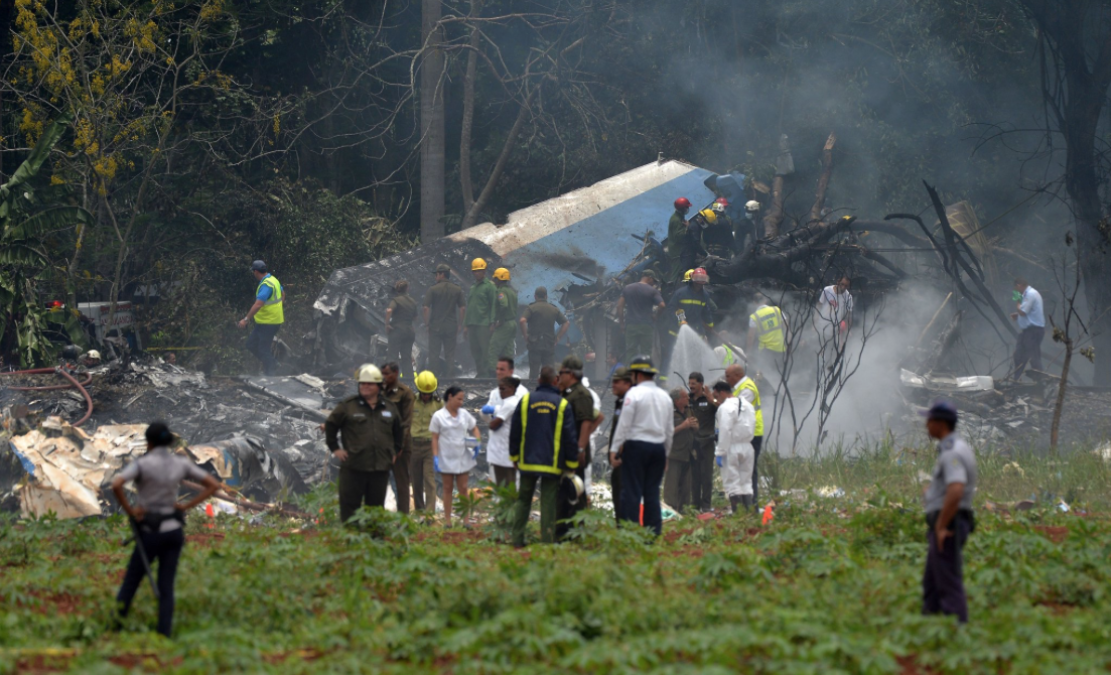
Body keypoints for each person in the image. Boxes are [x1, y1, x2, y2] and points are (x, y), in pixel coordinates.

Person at [111, 422, 220, 637]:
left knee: (132, 581)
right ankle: (164, 633)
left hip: (150, 531)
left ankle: (114, 628)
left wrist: (131, 511)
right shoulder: (180, 463)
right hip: (173, 531)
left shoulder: (143, 464)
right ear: (169, 442)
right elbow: (213, 485)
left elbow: (117, 484)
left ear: (149, 443)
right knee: (166, 585)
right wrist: (185, 506)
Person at [508, 366, 580, 546]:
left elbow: (515, 431)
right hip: (552, 463)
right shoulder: (562, 404)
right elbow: (570, 436)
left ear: (539, 380)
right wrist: (571, 462)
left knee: (524, 500)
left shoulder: (525, 401)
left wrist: (514, 456)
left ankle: (517, 539)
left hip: (527, 461)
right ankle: (547, 541)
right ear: (555, 381)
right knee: (548, 503)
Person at [921, 400, 977, 624]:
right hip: (949, 521)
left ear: (940, 424)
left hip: (951, 524)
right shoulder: (955, 447)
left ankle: (957, 631)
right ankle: (929, 625)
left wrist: (942, 525)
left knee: (948, 581)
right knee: (932, 581)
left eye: (930, 421)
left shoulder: (951, 453)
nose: (926, 425)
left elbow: (956, 489)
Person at [325, 364, 404, 522]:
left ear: (379, 385)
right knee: (350, 512)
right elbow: (331, 425)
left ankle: (374, 543)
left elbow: (398, 432)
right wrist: (335, 449)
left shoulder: (389, 407)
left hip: (379, 469)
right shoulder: (348, 406)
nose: (365, 386)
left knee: (375, 512)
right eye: (362, 383)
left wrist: (394, 452)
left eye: (369, 383)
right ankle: (352, 543)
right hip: (353, 468)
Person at [609, 355, 674, 535]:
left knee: (632, 492)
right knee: (652, 493)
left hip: (636, 447)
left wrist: (614, 449)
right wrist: (666, 454)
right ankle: (652, 534)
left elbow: (624, 425)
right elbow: (669, 430)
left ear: (637, 374)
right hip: (658, 449)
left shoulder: (634, 394)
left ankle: (631, 533)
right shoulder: (665, 397)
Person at [430, 385, 481, 526]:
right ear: (450, 397)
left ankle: (465, 520)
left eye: (462, 399)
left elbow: (474, 428)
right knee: (447, 488)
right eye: (458, 399)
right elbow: (434, 438)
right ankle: (447, 521)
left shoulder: (464, 414)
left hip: (463, 456)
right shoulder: (438, 416)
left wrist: (477, 442)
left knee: (463, 488)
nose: (461, 402)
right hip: (445, 457)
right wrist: (435, 456)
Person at [560, 355, 603, 498]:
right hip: (573, 443)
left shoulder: (584, 395)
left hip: (582, 442)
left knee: (582, 483)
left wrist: (581, 445)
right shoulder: (568, 393)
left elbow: (592, 419)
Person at [712, 381, 757, 512]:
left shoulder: (725, 408)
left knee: (732, 483)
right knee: (746, 483)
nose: (716, 399)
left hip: (731, 448)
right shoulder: (748, 405)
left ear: (721, 393)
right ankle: (749, 514)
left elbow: (725, 430)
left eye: (716, 396)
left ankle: (738, 514)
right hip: (748, 447)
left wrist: (720, 452)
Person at [726, 363, 764, 507]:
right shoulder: (740, 388)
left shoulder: (748, 389)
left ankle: (751, 505)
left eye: (728, 376)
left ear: (738, 375)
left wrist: (716, 401)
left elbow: (735, 410)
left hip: (753, 433)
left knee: (749, 470)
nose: (727, 379)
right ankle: (745, 505)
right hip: (746, 434)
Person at [238, 260, 283, 376]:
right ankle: (272, 364)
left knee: (263, 349)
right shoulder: (274, 280)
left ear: (256, 271)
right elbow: (283, 294)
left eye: (253, 272)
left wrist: (246, 319)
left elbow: (258, 304)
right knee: (251, 344)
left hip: (269, 323)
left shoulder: (266, 285)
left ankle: (271, 373)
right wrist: (277, 307)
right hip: (265, 322)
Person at [381, 362, 415, 514]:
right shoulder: (379, 392)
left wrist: (399, 446)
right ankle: (377, 517)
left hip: (400, 447)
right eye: (382, 374)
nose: (384, 377)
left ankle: (403, 519)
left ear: (396, 373)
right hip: (382, 445)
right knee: (378, 483)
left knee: (401, 484)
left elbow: (406, 423)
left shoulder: (405, 393)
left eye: (387, 373)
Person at [422, 264, 466, 377]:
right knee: (450, 354)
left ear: (442, 274)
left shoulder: (432, 289)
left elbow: (426, 308)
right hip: (451, 327)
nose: (435, 277)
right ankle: (449, 378)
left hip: (435, 327)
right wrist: (460, 325)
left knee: (434, 354)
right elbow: (462, 308)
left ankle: (434, 378)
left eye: (436, 274)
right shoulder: (457, 289)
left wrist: (427, 324)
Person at [482, 375, 525, 487]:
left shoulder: (510, 403)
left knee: (505, 486)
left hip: (503, 453)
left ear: (511, 388)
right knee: (506, 486)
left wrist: (491, 417)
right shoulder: (512, 402)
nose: (500, 392)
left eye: (503, 389)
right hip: (504, 452)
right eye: (499, 388)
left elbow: (493, 425)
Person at [616, 270, 665, 366]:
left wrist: (622, 324)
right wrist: (655, 316)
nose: (653, 283)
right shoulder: (652, 291)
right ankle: (644, 377)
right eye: (653, 281)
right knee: (646, 353)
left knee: (630, 352)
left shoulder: (628, 288)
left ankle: (630, 377)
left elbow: (619, 306)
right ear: (649, 278)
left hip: (631, 325)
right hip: (646, 325)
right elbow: (662, 305)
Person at [519, 287, 570, 376]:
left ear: (535, 296)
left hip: (534, 343)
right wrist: (558, 337)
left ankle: (533, 388)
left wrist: (526, 336)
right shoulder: (554, 309)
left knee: (534, 371)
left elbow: (522, 321)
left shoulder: (531, 308)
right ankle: (548, 388)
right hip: (549, 343)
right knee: (548, 372)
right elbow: (566, 322)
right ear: (546, 296)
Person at [410, 370, 442, 512]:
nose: (426, 396)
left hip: (430, 446)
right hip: (413, 445)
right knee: (416, 481)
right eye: (423, 393)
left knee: (429, 479)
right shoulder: (411, 402)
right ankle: (419, 511)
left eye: (429, 393)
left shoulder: (439, 405)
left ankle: (429, 513)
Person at [687, 372, 717, 512]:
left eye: (694, 383)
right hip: (692, 443)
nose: (691, 386)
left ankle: (706, 505)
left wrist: (711, 399)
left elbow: (722, 409)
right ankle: (695, 504)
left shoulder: (709, 399)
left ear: (701, 384)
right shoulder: (688, 399)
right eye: (689, 383)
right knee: (694, 476)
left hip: (707, 442)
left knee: (706, 475)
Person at [663, 387, 697, 511]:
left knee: (685, 487)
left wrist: (694, 426)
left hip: (687, 453)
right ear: (677, 400)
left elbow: (695, 426)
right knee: (671, 486)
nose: (688, 398)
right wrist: (683, 426)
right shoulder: (668, 412)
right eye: (685, 397)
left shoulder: (689, 410)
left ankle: (684, 511)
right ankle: (669, 510)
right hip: (674, 454)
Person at [607, 367, 633, 523]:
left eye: (617, 382)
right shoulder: (621, 401)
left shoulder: (630, 403)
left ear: (627, 383)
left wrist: (620, 451)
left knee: (625, 497)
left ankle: (627, 530)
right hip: (619, 459)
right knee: (618, 494)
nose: (613, 385)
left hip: (627, 459)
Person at [464, 258, 497, 377]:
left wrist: (492, 322)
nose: (477, 273)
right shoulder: (473, 288)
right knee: (475, 350)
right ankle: (481, 372)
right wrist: (466, 325)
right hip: (472, 324)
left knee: (485, 350)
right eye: (475, 271)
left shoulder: (490, 287)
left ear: (484, 271)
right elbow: (470, 307)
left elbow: (494, 304)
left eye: (479, 270)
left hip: (484, 324)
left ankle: (487, 374)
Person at [746, 294, 788, 384]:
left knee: (762, 371)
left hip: (766, 349)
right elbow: (787, 328)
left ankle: (764, 391)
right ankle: (780, 390)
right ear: (765, 300)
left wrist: (748, 352)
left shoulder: (754, 317)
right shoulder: (777, 310)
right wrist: (789, 343)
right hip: (781, 347)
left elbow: (751, 337)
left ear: (754, 303)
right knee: (779, 372)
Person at [1009, 277, 1045, 381]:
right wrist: (1018, 315)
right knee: (1018, 356)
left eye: (1016, 288)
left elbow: (1023, 311)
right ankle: (1016, 381)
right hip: (1027, 332)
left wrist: (1017, 300)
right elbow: (1028, 312)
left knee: (1034, 357)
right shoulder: (1027, 294)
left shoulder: (1030, 294)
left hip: (1034, 331)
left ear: (1019, 285)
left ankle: (1040, 384)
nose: (1015, 291)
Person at [487, 268, 519, 375]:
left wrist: (499, 320)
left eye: (495, 278)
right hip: (512, 323)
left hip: (504, 324)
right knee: (508, 350)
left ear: (499, 279)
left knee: (493, 348)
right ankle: (508, 372)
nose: (494, 281)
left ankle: (492, 373)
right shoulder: (512, 292)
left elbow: (503, 305)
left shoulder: (501, 292)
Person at [384, 280, 418, 377]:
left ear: (397, 289)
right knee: (406, 357)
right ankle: (409, 380)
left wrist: (387, 324)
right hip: (409, 331)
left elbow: (389, 310)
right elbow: (415, 318)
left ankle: (392, 378)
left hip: (397, 330)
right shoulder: (413, 301)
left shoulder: (396, 300)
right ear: (407, 289)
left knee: (392, 356)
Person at [814, 276, 853, 355]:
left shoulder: (848, 297)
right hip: (822, 325)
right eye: (842, 284)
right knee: (820, 350)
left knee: (833, 351)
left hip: (836, 329)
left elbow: (848, 315)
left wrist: (848, 330)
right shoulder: (827, 290)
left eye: (846, 286)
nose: (843, 287)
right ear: (838, 282)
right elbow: (819, 305)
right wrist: (815, 322)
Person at [666, 197, 694, 282]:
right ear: (682, 208)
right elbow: (679, 236)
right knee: (676, 272)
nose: (688, 209)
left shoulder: (679, 217)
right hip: (677, 251)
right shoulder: (676, 220)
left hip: (678, 250)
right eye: (687, 207)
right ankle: (671, 290)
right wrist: (688, 228)